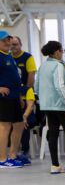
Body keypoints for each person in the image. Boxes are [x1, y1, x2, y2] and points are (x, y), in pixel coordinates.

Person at [34, 41, 65, 173]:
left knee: (53, 133)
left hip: (46, 105)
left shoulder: (42, 66)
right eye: (62, 50)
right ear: (57, 52)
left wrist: (43, 100)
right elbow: (60, 86)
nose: (62, 53)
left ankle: (55, 166)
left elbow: (36, 87)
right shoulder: (58, 65)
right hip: (60, 104)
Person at [9, 35, 36, 163]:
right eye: (11, 44)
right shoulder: (7, 57)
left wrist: (25, 90)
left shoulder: (27, 57)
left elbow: (31, 75)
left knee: (23, 123)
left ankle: (25, 150)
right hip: (11, 96)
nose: (13, 47)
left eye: (15, 44)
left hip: (25, 96)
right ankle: (11, 151)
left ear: (20, 45)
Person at [0, 31, 21, 168]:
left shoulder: (8, 55)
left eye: (8, 40)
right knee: (4, 126)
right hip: (4, 97)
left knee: (19, 124)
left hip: (14, 96)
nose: (8, 43)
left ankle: (13, 155)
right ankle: (2, 159)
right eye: (4, 41)